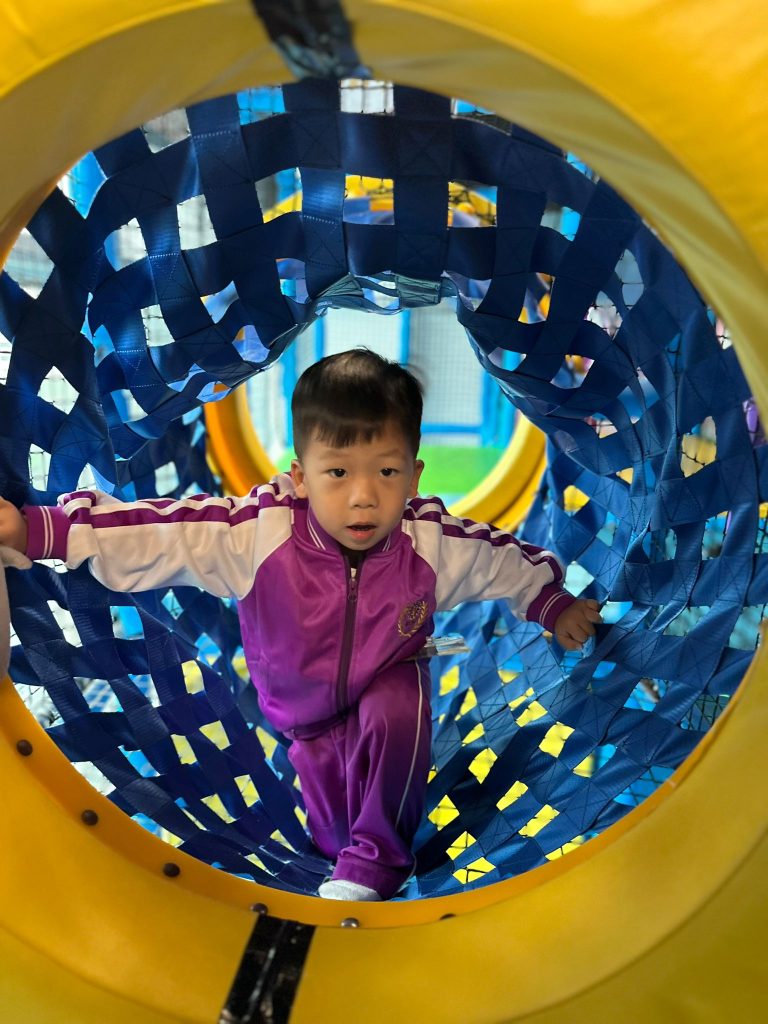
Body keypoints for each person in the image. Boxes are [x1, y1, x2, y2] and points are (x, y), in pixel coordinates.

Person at [0, 348, 601, 901]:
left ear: (415, 477)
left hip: (391, 676)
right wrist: (43, 530)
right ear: (301, 476)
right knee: (331, 840)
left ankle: (381, 862)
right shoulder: (259, 534)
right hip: (303, 721)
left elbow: (497, 557)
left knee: (396, 713)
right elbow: (166, 531)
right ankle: (349, 861)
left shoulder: (427, 542)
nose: (364, 497)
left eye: (386, 472)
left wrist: (551, 602)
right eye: (338, 473)